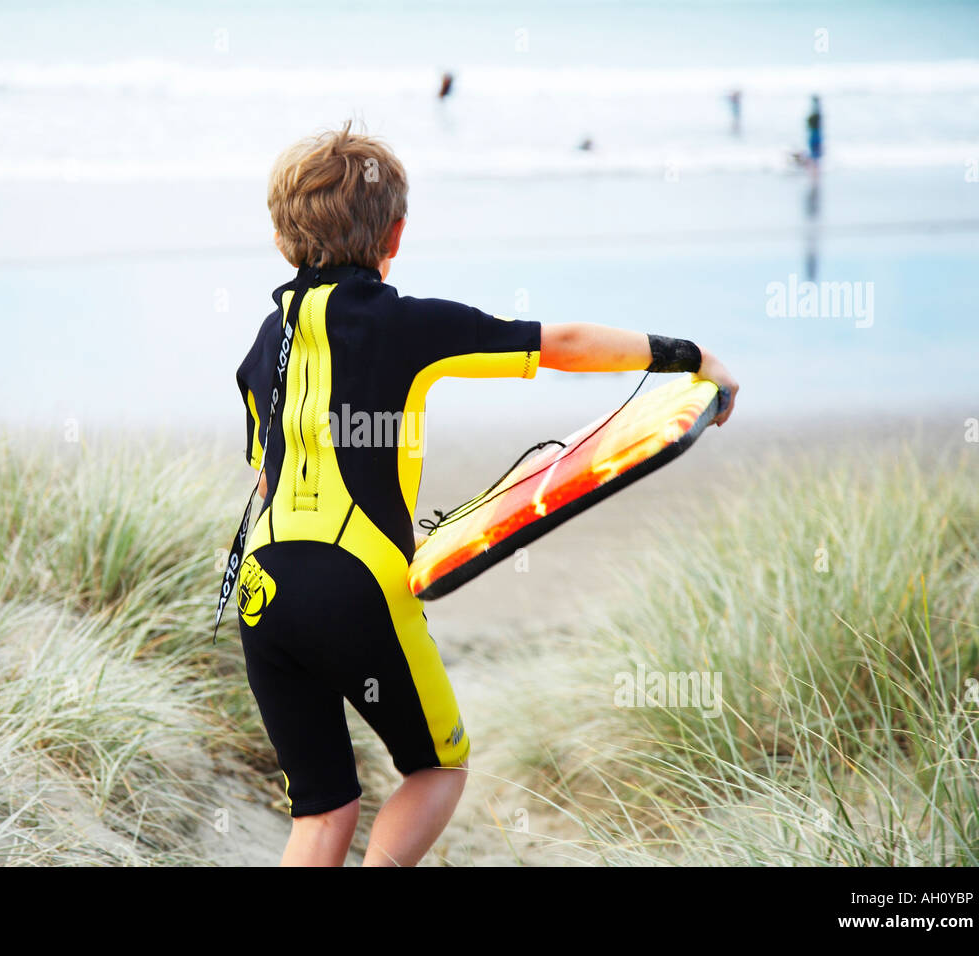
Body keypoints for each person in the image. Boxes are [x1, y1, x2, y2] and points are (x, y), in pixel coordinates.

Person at [232, 121, 739, 867]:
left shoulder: (262, 346)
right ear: (394, 235)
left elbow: (266, 477)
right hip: (360, 583)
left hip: (263, 589)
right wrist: (691, 357)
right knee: (437, 767)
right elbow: (559, 343)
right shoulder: (407, 325)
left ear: (282, 239)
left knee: (322, 810)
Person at [806, 94, 823, 179]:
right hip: (815, 135)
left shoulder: (816, 114)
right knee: (815, 154)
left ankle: (814, 171)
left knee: (814, 154)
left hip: (815, 135)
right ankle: (814, 171)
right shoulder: (817, 113)